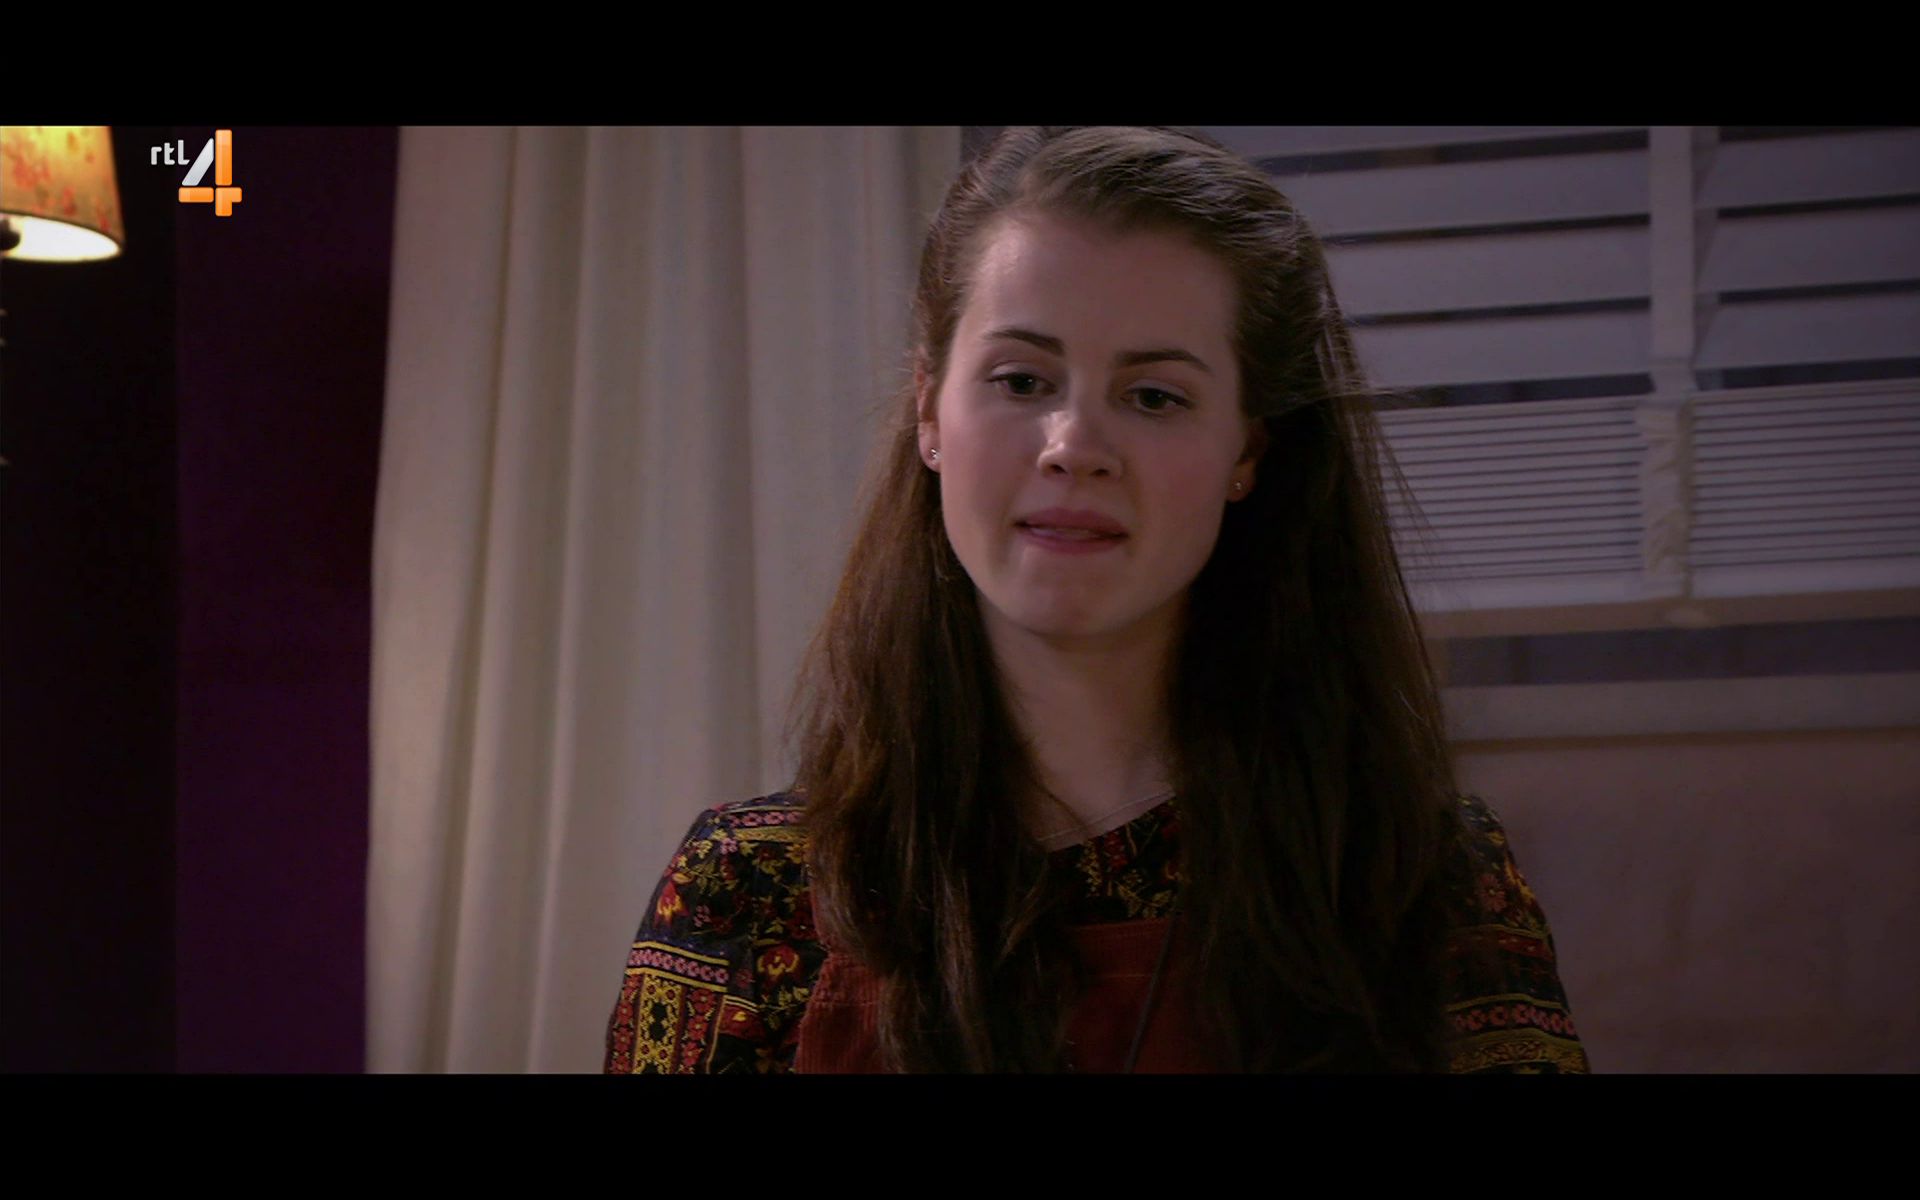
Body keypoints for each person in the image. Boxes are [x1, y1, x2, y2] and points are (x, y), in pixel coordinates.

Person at [603, 126, 1590, 1074]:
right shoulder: (747, 888)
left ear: (1246, 449)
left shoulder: (1422, 881)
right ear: (929, 409)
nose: (1074, 445)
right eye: (1021, 379)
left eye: (1155, 395)